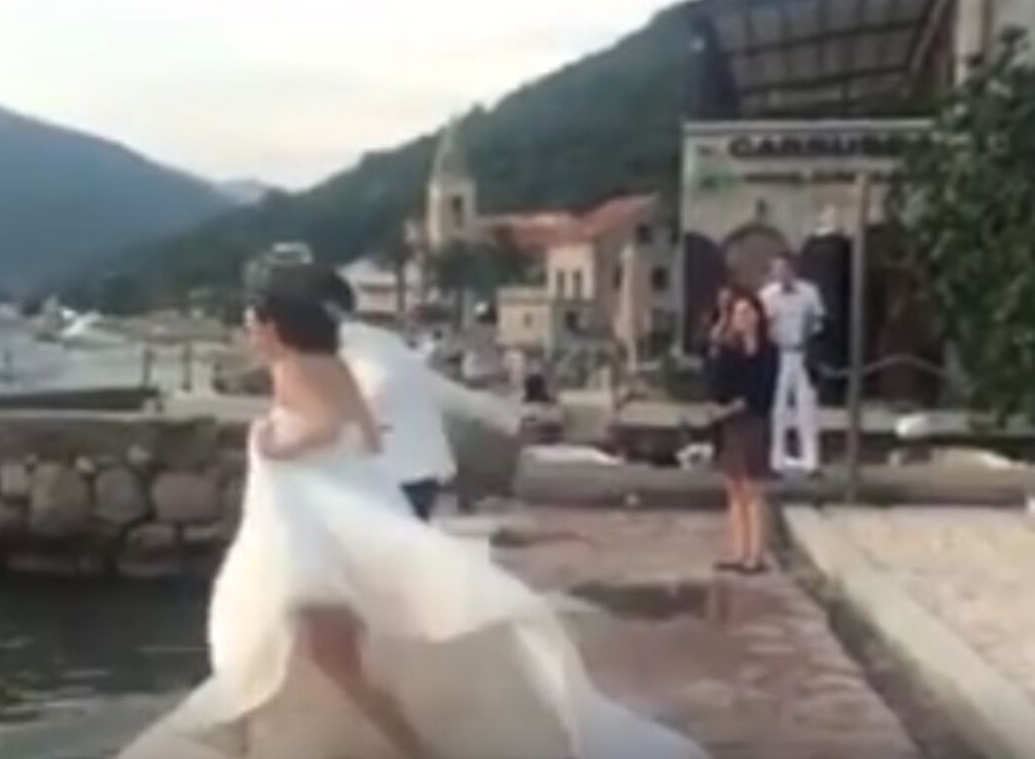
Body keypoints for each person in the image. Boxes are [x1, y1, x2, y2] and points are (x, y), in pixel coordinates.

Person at [118, 276, 709, 759]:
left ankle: (405, 746)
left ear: (275, 327)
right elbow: (369, 436)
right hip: (316, 533)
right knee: (327, 654)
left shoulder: (297, 367)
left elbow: (331, 426)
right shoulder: (328, 361)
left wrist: (273, 443)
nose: (248, 333)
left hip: (305, 545)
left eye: (252, 323)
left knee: (319, 656)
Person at [304, 267, 520, 521]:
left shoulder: (348, 347)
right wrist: (508, 420)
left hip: (394, 474)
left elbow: (376, 391)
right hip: (413, 472)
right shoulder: (382, 344)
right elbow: (440, 390)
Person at [708, 289, 778, 575]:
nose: (744, 318)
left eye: (748, 312)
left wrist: (739, 404)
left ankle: (756, 554)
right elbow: (717, 385)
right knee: (734, 488)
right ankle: (739, 551)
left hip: (754, 421)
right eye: (738, 314)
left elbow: (763, 391)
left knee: (753, 489)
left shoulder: (768, 351)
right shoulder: (727, 350)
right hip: (730, 423)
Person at [759, 253, 825, 476]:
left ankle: (811, 462)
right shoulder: (767, 295)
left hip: (803, 353)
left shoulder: (809, 292)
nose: (781, 274)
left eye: (784, 269)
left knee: (807, 407)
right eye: (776, 270)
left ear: (792, 269)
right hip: (778, 354)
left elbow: (819, 322)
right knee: (778, 409)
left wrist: (812, 342)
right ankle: (776, 461)